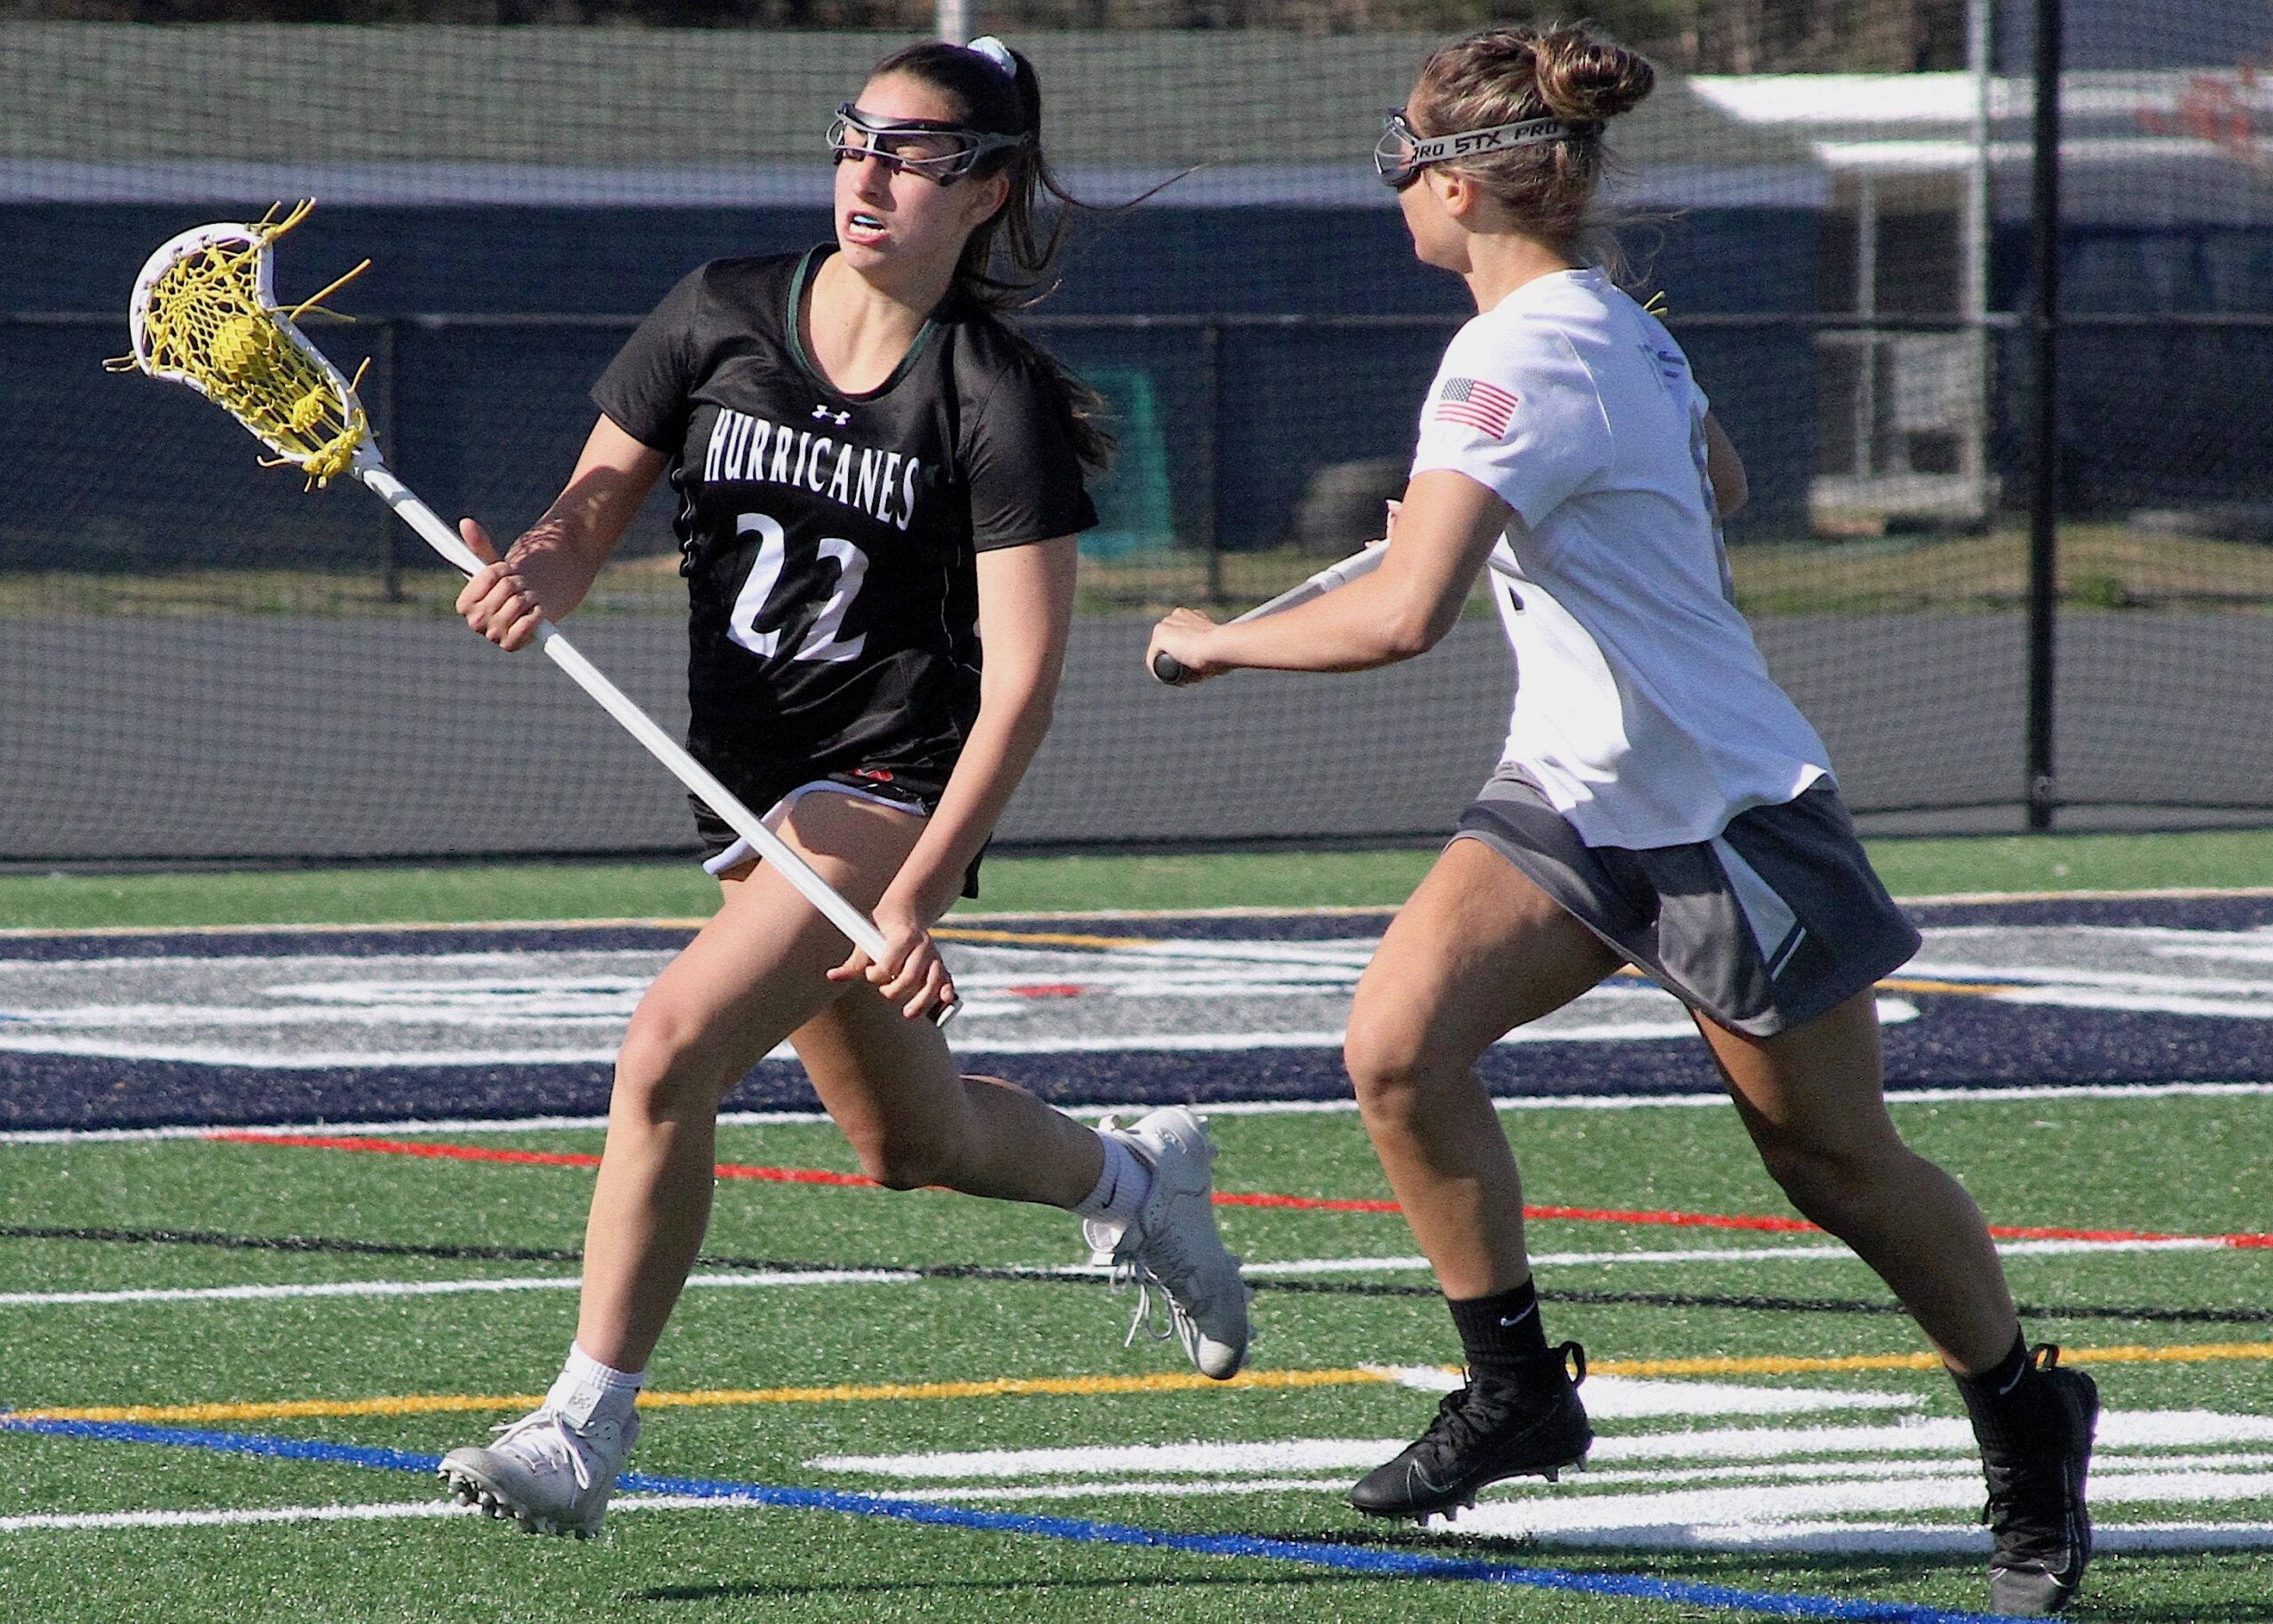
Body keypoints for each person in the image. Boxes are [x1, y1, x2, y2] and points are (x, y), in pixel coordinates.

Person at [1145, 24, 2095, 1617]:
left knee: (1834, 1163)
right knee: (1398, 1046)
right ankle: (1518, 1390)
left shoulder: (1516, 355)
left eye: (1403, 168)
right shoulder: (1610, 328)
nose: (1399, 194)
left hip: (1723, 809)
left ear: (1455, 183)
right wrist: (1529, 502)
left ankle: (2026, 1411)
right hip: (1578, 789)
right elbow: (1714, 481)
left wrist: (1211, 638)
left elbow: (1399, 620)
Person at [436, 36, 1249, 1540]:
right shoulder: (721, 310)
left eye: (917, 153)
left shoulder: (987, 398)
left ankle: (582, 1427)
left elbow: (1021, 686)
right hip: (744, 791)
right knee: (908, 1142)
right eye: (856, 138)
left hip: (884, 787)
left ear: (989, 190)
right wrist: (544, 564)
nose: (870, 174)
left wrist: (922, 892)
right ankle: (1141, 1185)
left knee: (668, 1045)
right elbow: (596, 496)